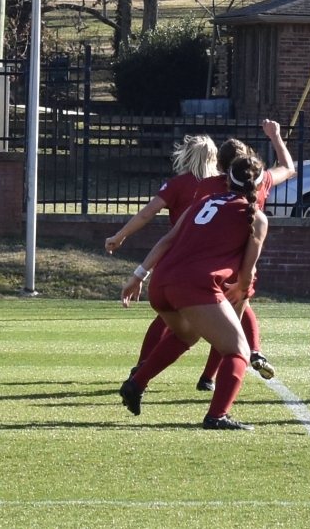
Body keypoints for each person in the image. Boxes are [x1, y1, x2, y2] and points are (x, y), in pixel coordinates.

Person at [118, 155, 270, 430]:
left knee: (186, 334)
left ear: (227, 179)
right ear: (259, 186)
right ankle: (217, 416)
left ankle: (136, 383)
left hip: (161, 282)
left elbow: (166, 240)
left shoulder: (201, 203)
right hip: (194, 286)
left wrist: (137, 276)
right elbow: (247, 271)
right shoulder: (256, 217)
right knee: (238, 352)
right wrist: (242, 288)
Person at [190, 121, 296, 389]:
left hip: (210, 260)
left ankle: (143, 374)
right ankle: (216, 373)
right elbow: (289, 167)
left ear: (222, 167)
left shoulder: (209, 185)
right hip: (243, 261)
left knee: (193, 327)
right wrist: (275, 136)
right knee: (235, 316)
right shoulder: (261, 182)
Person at [105, 134, 219, 375]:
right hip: (214, 261)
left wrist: (121, 235)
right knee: (232, 313)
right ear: (213, 157)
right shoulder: (223, 184)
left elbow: (147, 214)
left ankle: (143, 365)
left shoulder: (178, 184)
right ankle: (210, 377)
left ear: (186, 156)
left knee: (169, 315)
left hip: (178, 260)